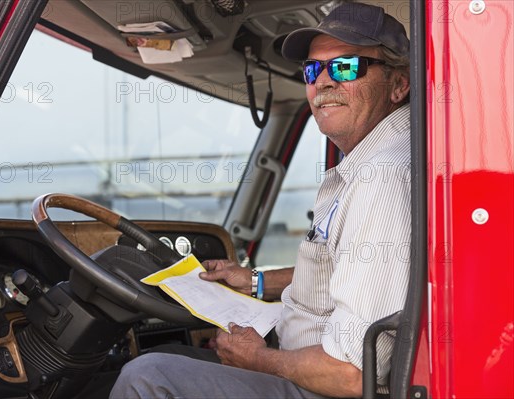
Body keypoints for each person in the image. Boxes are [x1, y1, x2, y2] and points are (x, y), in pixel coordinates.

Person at [110, 3, 411, 398]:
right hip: (304, 364)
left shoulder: (383, 176)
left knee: (146, 375)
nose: (322, 82)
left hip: (323, 388)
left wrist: (258, 359)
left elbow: (351, 374)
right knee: (168, 353)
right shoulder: (372, 163)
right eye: (312, 69)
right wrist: (255, 280)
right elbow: (352, 263)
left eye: (344, 66)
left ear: (399, 85)